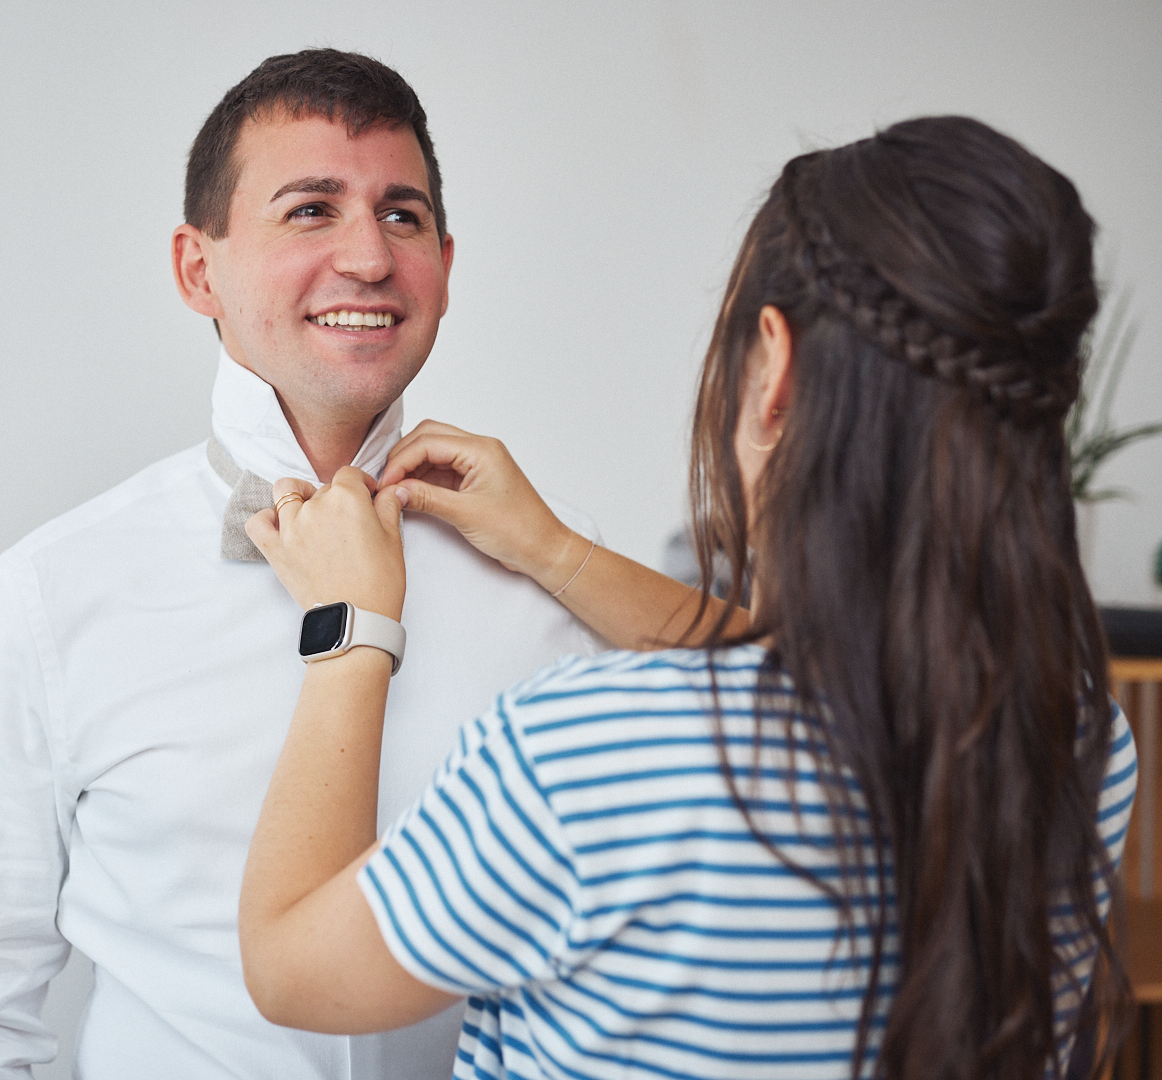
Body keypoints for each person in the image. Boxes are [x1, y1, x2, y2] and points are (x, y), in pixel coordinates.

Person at [238, 115, 1136, 1080]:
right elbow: (817, 670)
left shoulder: (581, 754)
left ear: (774, 368)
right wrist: (554, 551)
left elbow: (291, 968)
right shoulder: (1075, 736)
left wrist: (350, 628)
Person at [0, 49, 609, 1080]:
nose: (368, 256)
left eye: (401, 215)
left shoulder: (566, 575)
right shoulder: (51, 590)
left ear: (445, 265)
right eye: (311, 210)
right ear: (199, 271)